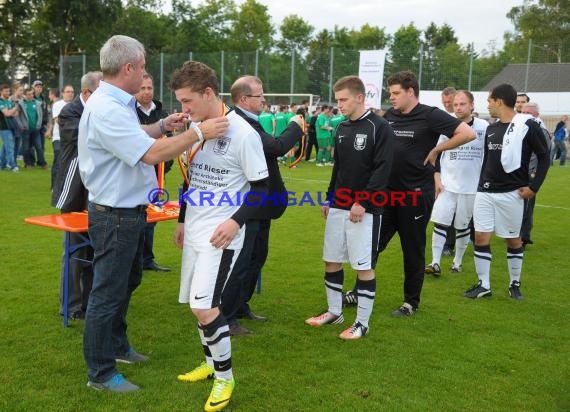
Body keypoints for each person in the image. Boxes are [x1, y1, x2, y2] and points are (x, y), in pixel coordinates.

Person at [78, 35, 229, 393]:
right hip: (114, 214)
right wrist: (196, 132)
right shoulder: (107, 107)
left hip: (126, 212)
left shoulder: (115, 102)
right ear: (128, 68)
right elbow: (149, 155)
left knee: (126, 283)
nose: (146, 73)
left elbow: (135, 138)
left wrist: (162, 127)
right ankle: (100, 373)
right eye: (143, 66)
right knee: (106, 294)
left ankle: (117, 347)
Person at [171, 61, 268, 412]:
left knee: (205, 306)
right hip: (195, 230)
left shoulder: (243, 133)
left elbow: (262, 188)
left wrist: (236, 222)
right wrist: (182, 219)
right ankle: (211, 365)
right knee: (198, 308)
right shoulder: (198, 129)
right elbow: (190, 179)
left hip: (221, 235)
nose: (184, 109)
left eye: (187, 101)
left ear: (208, 93)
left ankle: (225, 378)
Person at [379, 70, 475, 317]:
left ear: (411, 92)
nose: (392, 97)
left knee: (412, 250)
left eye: (396, 93)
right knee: (371, 245)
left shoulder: (430, 114)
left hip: (415, 195)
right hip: (387, 195)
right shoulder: (390, 115)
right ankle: (360, 291)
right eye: (390, 93)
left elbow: (467, 133)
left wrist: (437, 150)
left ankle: (410, 302)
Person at [305, 75, 394, 340]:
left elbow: (382, 169)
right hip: (339, 206)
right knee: (331, 260)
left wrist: (363, 202)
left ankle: (362, 323)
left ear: (360, 97)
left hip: (365, 209)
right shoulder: (342, 127)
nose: (339, 105)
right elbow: (340, 168)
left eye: (344, 99)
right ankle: (335, 312)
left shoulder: (380, 127)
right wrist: (330, 197)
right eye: (338, 100)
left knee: (362, 265)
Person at [220, 75, 304, 336]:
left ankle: (241, 305)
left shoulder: (250, 121)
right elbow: (277, 147)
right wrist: (295, 125)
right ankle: (226, 316)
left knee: (257, 257)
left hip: (263, 205)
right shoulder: (241, 123)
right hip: (250, 205)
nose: (265, 100)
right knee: (242, 260)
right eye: (260, 96)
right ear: (244, 99)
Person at [464, 84, 549, 300]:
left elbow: (544, 156)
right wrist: (481, 183)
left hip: (512, 193)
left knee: (513, 240)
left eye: (490, 100)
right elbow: (487, 161)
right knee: (481, 236)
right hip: (485, 192)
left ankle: (514, 284)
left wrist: (533, 187)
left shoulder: (527, 125)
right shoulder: (491, 128)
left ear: (499, 101)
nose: (488, 104)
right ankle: (484, 285)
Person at [53, 72, 102, 321]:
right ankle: (70, 306)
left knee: (92, 250)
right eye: (100, 93)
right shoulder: (70, 113)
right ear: (86, 94)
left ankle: (88, 303)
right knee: (74, 252)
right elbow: (88, 139)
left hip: (95, 191)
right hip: (73, 193)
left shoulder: (95, 110)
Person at [425, 90, 487, 276]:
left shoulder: (484, 127)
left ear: (472, 105)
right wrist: (437, 178)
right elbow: (436, 153)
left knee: (462, 226)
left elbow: (488, 156)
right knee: (440, 222)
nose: (458, 107)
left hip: (471, 187)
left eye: (462, 104)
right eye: (456, 104)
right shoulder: (447, 124)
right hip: (447, 184)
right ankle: (435, 262)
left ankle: (457, 262)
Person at [135, 73, 172, 272]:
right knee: (137, 217)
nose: (147, 92)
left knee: (153, 218)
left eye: (150, 88)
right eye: (143, 88)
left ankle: (147, 259)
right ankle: (135, 259)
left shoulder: (161, 112)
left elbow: (170, 142)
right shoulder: (130, 111)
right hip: (137, 173)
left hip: (158, 173)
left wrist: (165, 166)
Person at [520, 102, 551, 248]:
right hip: (521, 172)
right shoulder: (523, 127)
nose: (525, 115)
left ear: (536, 115)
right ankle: (518, 234)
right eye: (523, 112)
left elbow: (541, 155)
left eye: (528, 113)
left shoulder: (541, 130)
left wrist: (533, 173)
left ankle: (524, 237)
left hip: (530, 173)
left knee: (526, 206)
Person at [440, 87, 457, 257]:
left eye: (449, 102)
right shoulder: (441, 119)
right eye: (444, 102)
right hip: (446, 174)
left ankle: (471, 236)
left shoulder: (471, 122)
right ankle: (448, 244)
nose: (447, 105)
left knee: (467, 213)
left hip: (467, 175)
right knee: (447, 211)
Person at [48, 85, 74, 189]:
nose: (70, 93)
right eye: (68, 91)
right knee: (58, 161)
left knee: (70, 163)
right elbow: (58, 120)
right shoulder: (58, 104)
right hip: (59, 138)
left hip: (72, 139)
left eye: (72, 92)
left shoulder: (75, 105)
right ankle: (55, 186)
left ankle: (66, 186)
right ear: (63, 93)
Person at [20, 87, 47, 169]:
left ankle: (43, 163)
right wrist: (21, 126)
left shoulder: (38, 103)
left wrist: (39, 125)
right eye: (28, 94)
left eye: (32, 94)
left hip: (36, 130)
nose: (31, 95)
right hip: (25, 130)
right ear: (25, 95)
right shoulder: (21, 104)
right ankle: (28, 164)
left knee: (39, 147)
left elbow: (41, 115)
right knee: (26, 148)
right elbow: (18, 116)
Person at [0, 84, 19, 172]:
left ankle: (2, 165)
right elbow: (7, 114)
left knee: (5, 147)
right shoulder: (0, 101)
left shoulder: (8, 101)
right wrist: (14, 109)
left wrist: (12, 110)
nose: (8, 92)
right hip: (3, 127)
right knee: (10, 147)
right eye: (6, 91)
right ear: (1, 92)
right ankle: (13, 165)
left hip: (10, 127)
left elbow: (15, 114)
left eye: (8, 91)